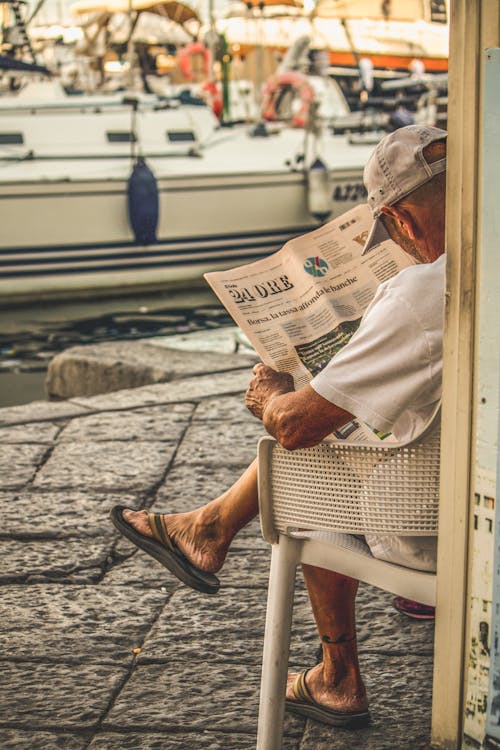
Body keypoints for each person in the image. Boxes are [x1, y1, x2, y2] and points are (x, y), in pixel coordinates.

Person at [110, 124, 447, 729]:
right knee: (340, 429)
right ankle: (207, 531)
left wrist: (272, 395)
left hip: (436, 533)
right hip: (478, 503)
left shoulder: (424, 293)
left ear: (404, 222)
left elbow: (294, 427)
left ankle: (333, 671)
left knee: (303, 445)